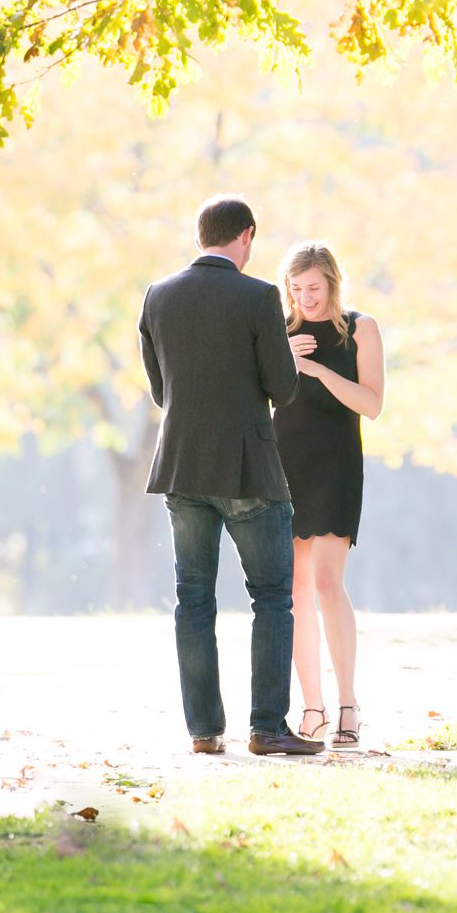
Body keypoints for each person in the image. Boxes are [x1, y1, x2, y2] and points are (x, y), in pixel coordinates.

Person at [137, 195, 325, 758]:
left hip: (181, 465)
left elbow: (159, 389)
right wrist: (286, 358)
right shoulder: (259, 295)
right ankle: (266, 727)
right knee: (271, 596)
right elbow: (282, 388)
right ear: (246, 235)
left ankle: (203, 730)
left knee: (192, 599)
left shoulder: (157, 295)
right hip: (247, 469)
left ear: (201, 239)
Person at [274, 241, 385, 751]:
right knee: (294, 591)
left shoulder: (362, 328)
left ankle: (348, 704)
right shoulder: (280, 330)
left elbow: (372, 403)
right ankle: (311, 708)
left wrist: (318, 370)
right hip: (284, 463)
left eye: (314, 289)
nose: (305, 299)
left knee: (325, 583)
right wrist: (280, 359)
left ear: (333, 284)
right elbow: (258, 395)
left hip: (336, 465)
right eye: (296, 290)